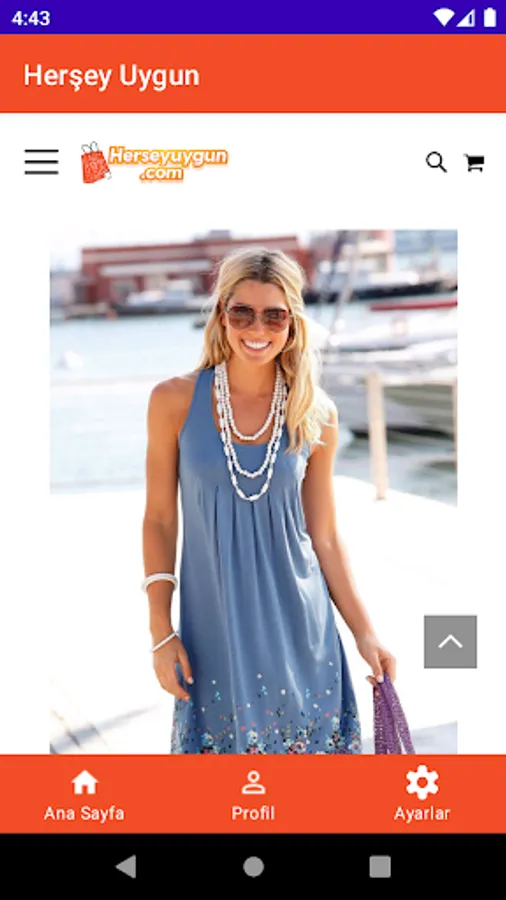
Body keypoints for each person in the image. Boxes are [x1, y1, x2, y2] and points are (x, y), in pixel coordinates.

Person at [142, 247, 396, 754]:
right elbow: (160, 521)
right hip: (214, 638)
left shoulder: (314, 413)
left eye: (274, 315)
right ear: (222, 315)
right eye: (243, 312)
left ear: (292, 323)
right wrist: (160, 631)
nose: (257, 328)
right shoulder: (172, 401)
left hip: (304, 635)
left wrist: (365, 634)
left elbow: (324, 537)